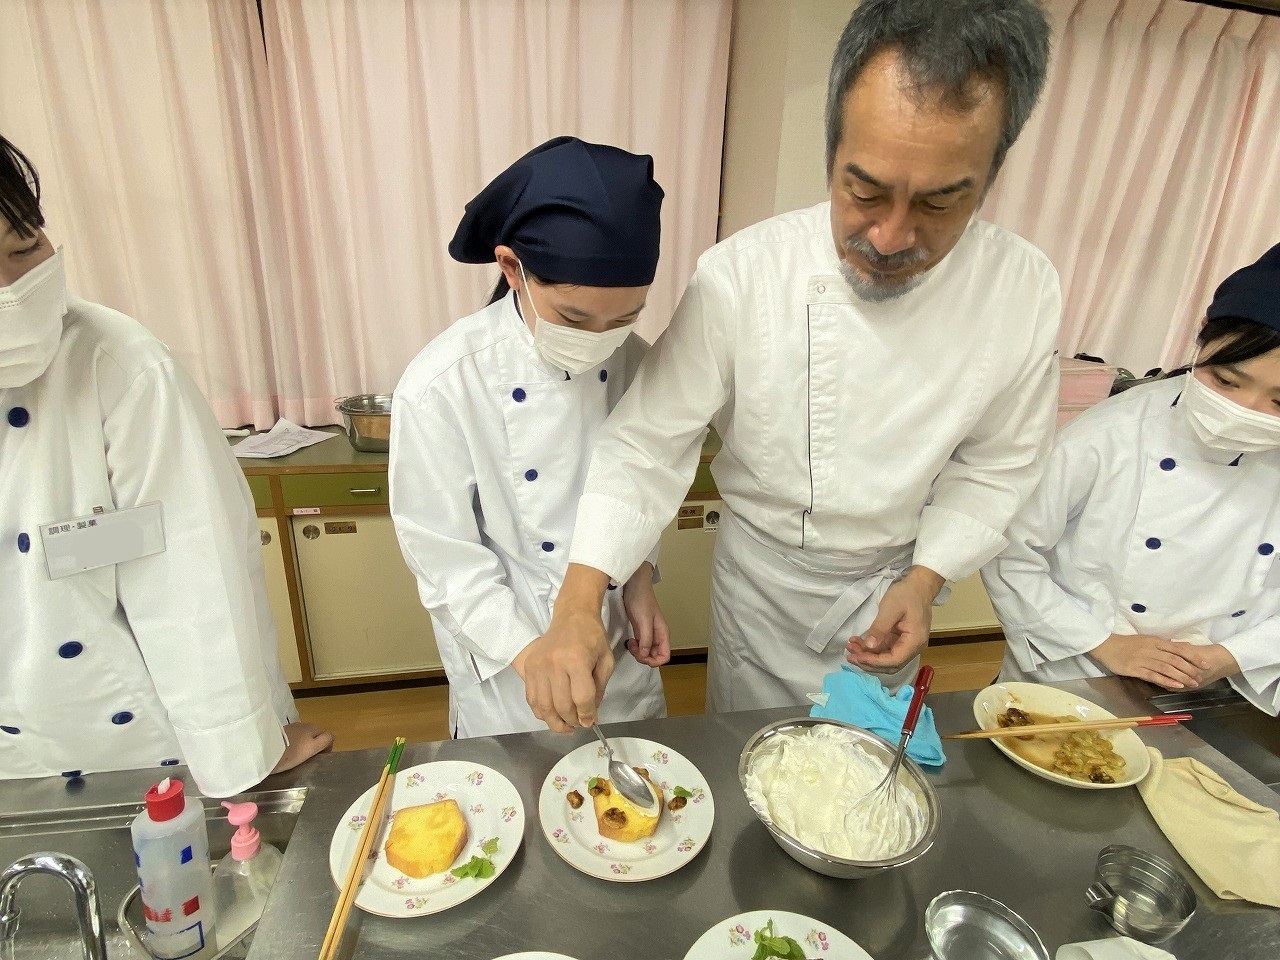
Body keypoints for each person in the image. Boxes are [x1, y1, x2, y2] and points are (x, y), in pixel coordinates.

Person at [519, 0, 1063, 731]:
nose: (890, 236)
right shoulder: (744, 274)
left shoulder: (1022, 288)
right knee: (751, 752)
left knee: (867, 763)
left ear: (992, 176)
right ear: (831, 150)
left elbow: (998, 465)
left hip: (891, 587)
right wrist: (579, 601)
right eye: (864, 191)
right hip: (762, 591)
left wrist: (926, 577)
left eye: (940, 203)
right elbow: (648, 443)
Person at [0, 134, 332, 796]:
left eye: (23, 248)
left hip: (135, 745)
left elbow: (187, 569)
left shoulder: (119, 366)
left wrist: (241, 746)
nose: (11, 291)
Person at [389, 136, 670, 738]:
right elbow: (444, 560)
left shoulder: (639, 365)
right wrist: (527, 651)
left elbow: (641, 487)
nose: (599, 339)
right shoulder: (443, 384)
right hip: (507, 658)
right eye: (574, 318)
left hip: (617, 646)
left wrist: (640, 577)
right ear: (512, 268)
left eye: (624, 318)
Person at [982, 244, 1280, 715]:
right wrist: (1104, 642)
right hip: (1078, 669)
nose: (1243, 411)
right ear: (1203, 331)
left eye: (1279, 402)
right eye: (1225, 381)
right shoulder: (1110, 434)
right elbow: (1011, 553)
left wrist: (1231, 655)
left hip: (1225, 686)